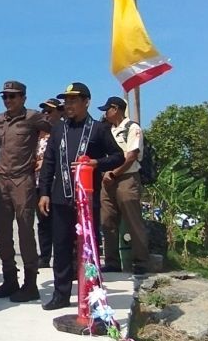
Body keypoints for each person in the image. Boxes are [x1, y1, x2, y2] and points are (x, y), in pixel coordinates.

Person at [37, 83, 123, 311]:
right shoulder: (58, 129)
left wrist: (97, 163)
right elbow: (49, 163)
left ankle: (91, 293)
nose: (69, 105)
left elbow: (118, 156)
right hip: (60, 198)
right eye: (66, 101)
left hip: (87, 201)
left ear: (87, 102)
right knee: (61, 247)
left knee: (89, 248)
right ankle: (61, 294)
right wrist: (44, 192)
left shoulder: (98, 129)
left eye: (74, 100)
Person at [0, 80, 49, 302]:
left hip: (23, 180)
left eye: (12, 96)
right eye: (4, 96)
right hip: (2, 180)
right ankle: (9, 280)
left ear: (23, 97)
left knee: (25, 230)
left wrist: (43, 158)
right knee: (2, 231)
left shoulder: (32, 117)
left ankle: (30, 284)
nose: (8, 100)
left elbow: (57, 133)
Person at [99, 95, 150, 274]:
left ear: (116, 109)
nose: (105, 113)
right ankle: (112, 261)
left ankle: (141, 261)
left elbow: (131, 156)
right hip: (107, 180)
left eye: (108, 109)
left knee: (133, 220)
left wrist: (114, 173)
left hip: (127, 178)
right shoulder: (106, 130)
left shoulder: (132, 128)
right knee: (107, 221)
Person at [35, 97, 62, 269]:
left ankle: (62, 257)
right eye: (43, 111)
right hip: (38, 184)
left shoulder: (62, 132)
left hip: (57, 183)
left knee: (59, 222)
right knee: (43, 221)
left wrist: (44, 162)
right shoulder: (35, 138)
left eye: (49, 111)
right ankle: (44, 256)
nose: (46, 114)